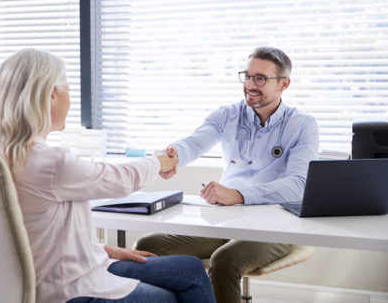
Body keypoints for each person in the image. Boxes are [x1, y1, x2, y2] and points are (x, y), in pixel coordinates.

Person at [0, 48, 216, 303]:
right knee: (173, 298)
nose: (70, 99)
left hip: (46, 274)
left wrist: (105, 250)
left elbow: (34, 234)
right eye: (68, 89)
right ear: (51, 95)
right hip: (69, 288)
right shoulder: (50, 162)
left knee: (190, 269)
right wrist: (158, 162)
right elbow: (119, 179)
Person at [134, 47, 319, 303]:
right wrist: (174, 156)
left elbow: (299, 185)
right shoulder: (228, 114)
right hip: (227, 220)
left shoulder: (303, 125)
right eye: (247, 76)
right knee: (149, 245)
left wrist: (239, 195)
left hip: (275, 225)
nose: (250, 85)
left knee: (225, 260)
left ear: (284, 84)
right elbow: (195, 142)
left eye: (260, 78)